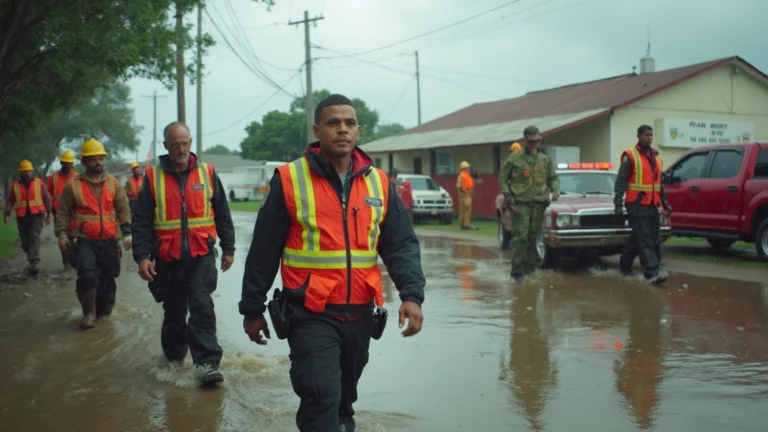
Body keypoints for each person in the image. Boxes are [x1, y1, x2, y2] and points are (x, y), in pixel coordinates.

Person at [240, 94, 426, 432]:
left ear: (358, 131)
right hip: (310, 312)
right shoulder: (289, 180)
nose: (342, 129)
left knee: (343, 402)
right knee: (320, 395)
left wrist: (412, 296)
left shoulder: (380, 183)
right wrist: (252, 309)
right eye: (333, 123)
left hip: (359, 312)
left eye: (349, 123)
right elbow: (263, 252)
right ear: (317, 130)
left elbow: (401, 246)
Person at [131, 121, 236, 386]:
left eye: (185, 143)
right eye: (175, 144)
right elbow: (141, 220)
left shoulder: (207, 173)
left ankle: (207, 364)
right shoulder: (152, 178)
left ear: (191, 143)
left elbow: (223, 213)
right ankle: (175, 359)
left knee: (202, 305)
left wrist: (229, 248)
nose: (181, 148)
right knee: (175, 312)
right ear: (166, 146)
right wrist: (143, 256)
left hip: (202, 255)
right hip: (167, 259)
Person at [55, 139, 132, 330]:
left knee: (108, 279)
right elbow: (63, 212)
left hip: (108, 239)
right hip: (83, 239)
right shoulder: (73, 185)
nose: (98, 162)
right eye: (93, 159)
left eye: (100, 158)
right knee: (88, 274)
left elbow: (123, 209)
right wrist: (62, 235)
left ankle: (104, 314)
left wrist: (127, 233)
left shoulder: (113, 183)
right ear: (84, 161)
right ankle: (89, 313)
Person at [499, 126, 560, 282]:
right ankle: (517, 272)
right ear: (526, 140)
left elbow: (553, 178)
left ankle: (529, 269)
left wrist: (555, 190)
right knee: (521, 236)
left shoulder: (544, 159)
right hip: (520, 203)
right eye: (532, 141)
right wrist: (507, 195)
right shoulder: (515, 158)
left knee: (533, 237)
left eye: (538, 141)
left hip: (539, 203)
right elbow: (503, 178)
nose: (535, 144)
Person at [613, 125, 671, 283]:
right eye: (646, 135)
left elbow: (659, 184)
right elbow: (621, 181)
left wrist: (665, 203)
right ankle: (652, 272)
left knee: (647, 237)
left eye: (651, 135)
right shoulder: (630, 155)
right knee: (645, 238)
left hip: (652, 204)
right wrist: (618, 203)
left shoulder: (657, 157)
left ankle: (624, 266)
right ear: (638, 136)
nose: (649, 137)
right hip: (635, 204)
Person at [4, 159, 52, 275]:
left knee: (34, 237)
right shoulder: (15, 185)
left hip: (37, 216)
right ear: (21, 172)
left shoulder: (39, 183)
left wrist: (49, 214)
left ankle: (34, 263)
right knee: (25, 243)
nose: (27, 173)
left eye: (29, 171)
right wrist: (6, 213)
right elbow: (10, 200)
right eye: (24, 171)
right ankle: (32, 256)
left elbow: (47, 198)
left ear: (32, 171)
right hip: (22, 217)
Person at [47, 150, 79, 270]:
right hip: (59, 213)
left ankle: (74, 259)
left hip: (75, 213)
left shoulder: (77, 177)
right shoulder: (53, 178)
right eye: (65, 162)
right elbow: (47, 194)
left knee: (75, 237)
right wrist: (49, 211)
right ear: (61, 163)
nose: (67, 165)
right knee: (63, 237)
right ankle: (66, 262)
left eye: (70, 163)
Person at [456, 161, 475, 230]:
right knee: (466, 210)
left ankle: (464, 225)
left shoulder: (466, 175)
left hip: (467, 195)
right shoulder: (462, 176)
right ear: (464, 168)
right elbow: (458, 185)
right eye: (467, 168)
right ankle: (465, 225)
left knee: (465, 211)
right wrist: (465, 191)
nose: (469, 169)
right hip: (465, 196)